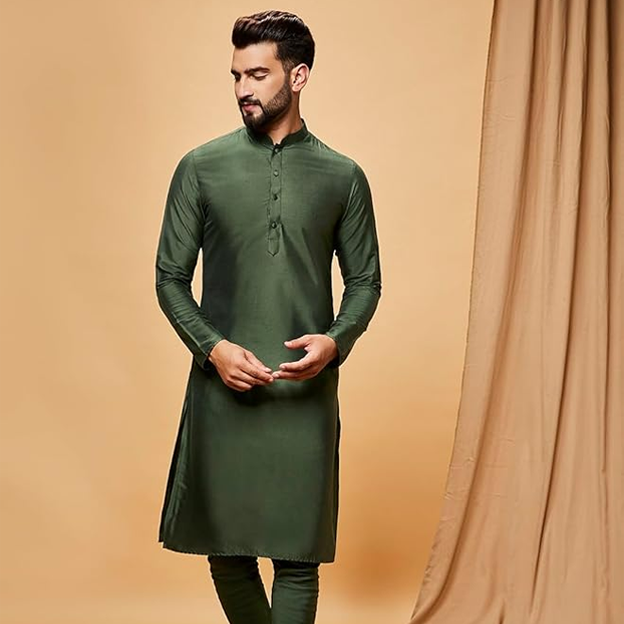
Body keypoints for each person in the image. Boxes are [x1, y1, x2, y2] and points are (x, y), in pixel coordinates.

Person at [154, 9, 382, 624]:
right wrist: (213, 348)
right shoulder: (201, 167)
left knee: (297, 557)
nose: (243, 89)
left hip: (303, 392)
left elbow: (365, 282)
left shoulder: (343, 177)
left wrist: (335, 342)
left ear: (298, 76)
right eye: (236, 76)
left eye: (257, 74)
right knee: (227, 553)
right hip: (222, 387)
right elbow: (170, 278)